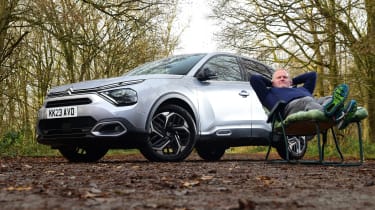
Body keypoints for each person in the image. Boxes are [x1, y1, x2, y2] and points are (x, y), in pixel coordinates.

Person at [250, 69, 357, 130]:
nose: (282, 78)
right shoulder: (268, 93)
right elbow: (254, 79)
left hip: (313, 103)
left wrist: (292, 81)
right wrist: (272, 83)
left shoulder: (303, 89)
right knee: (307, 101)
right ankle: (339, 117)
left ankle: (338, 116)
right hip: (289, 109)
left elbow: (312, 75)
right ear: (272, 82)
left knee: (329, 98)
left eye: (285, 77)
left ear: (290, 81)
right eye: (279, 77)